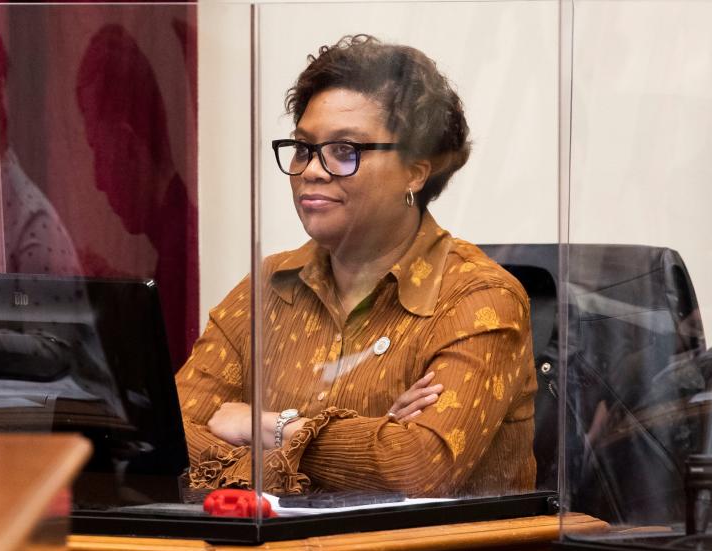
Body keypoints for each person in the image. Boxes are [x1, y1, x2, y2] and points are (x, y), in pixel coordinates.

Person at [177, 35, 537, 497]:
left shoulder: (481, 299)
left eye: (345, 151)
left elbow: (416, 469)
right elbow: (171, 436)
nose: (311, 170)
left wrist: (264, 427)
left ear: (415, 171)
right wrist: (370, 438)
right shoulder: (265, 287)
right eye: (304, 148)